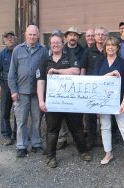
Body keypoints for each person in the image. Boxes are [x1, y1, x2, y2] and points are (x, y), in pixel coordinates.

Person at [37, 30, 91, 168]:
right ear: (50, 45)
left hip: (70, 102)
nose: (56, 45)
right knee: (52, 130)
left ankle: (83, 151)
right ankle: (51, 157)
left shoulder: (70, 56)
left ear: (62, 44)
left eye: (58, 42)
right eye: (53, 43)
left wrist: (57, 71)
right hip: (53, 103)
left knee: (77, 128)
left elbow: (76, 71)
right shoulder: (44, 61)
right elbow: (40, 81)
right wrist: (41, 101)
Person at [93, 36, 124, 169]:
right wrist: (110, 74)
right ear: (105, 48)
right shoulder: (100, 62)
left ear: (117, 48)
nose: (110, 47)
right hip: (103, 102)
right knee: (105, 127)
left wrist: (123, 104)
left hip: (119, 101)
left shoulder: (123, 63)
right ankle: (108, 153)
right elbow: (95, 81)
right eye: (108, 45)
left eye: (113, 45)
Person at [8, 25, 47, 158]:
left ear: (38, 35)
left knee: (36, 120)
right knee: (21, 121)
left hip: (37, 93)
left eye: (34, 35)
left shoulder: (43, 50)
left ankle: (36, 144)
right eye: (30, 34)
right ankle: (21, 146)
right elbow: (12, 72)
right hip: (21, 92)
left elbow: (47, 69)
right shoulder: (18, 50)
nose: (32, 37)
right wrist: (13, 91)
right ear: (25, 35)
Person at [56, 27, 85, 150]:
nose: (72, 37)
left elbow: (84, 66)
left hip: (78, 86)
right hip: (63, 86)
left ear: (78, 37)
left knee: (77, 113)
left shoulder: (83, 50)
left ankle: (76, 138)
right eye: (70, 35)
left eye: (75, 35)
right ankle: (62, 138)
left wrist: (81, 79)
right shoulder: (61, 50)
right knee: (62, 112)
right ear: (66, 37)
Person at [80, 26, 109, 149]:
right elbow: (83, 68)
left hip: (106, 87)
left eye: (103, 34)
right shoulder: (88, 51)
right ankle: (92, 139)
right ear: (95, 36)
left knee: (106, 114)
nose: (100, 36)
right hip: (90, 88)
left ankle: (106, 139)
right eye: (98, 34)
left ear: (106, 36)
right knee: (90, 115)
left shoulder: (110, 50)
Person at [0, 31, 17, 146]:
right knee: (5, 112)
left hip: (18, 86)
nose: (9, 39)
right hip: (6, 87)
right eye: (7, 38)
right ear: (4, 40)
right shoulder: (1, 55)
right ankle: (6, 135)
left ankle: (17, 134)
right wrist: (1, 83)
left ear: (15, 39)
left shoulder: (19, 52)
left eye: (11, 37)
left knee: (19, 112)